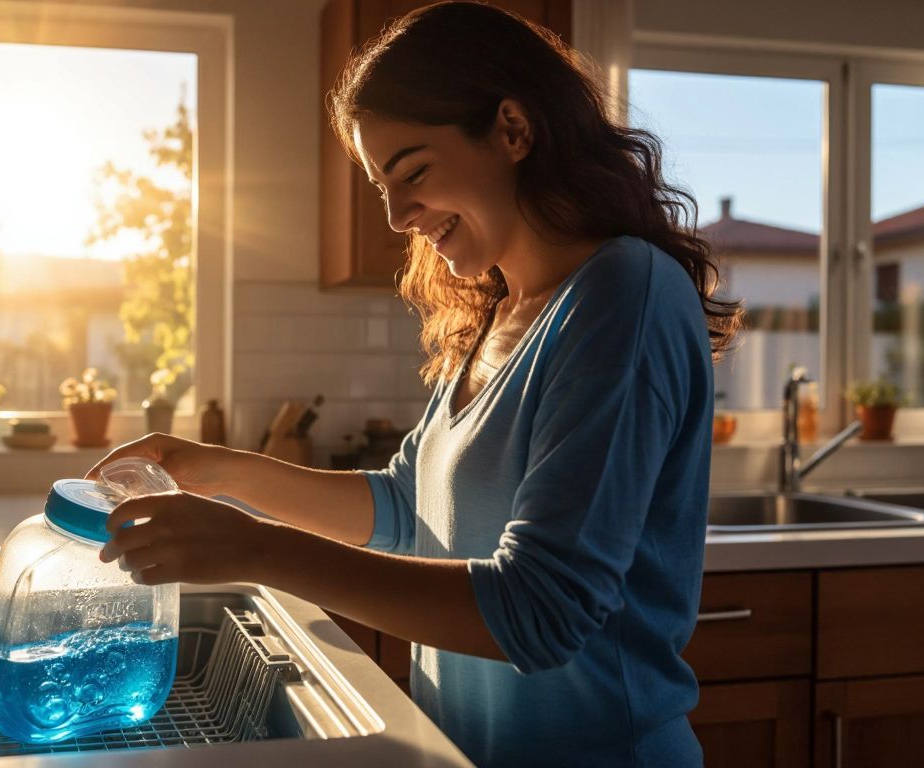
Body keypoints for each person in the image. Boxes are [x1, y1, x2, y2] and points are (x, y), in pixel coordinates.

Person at [87, 2, 742, 765]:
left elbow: (542, 612)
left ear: (513, 129)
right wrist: (215, 471)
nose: (398, 215)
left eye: (414, 172)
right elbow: (408, 510)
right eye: (381, 186)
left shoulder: (625, 295)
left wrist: (257, 550)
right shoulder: (499, 314)